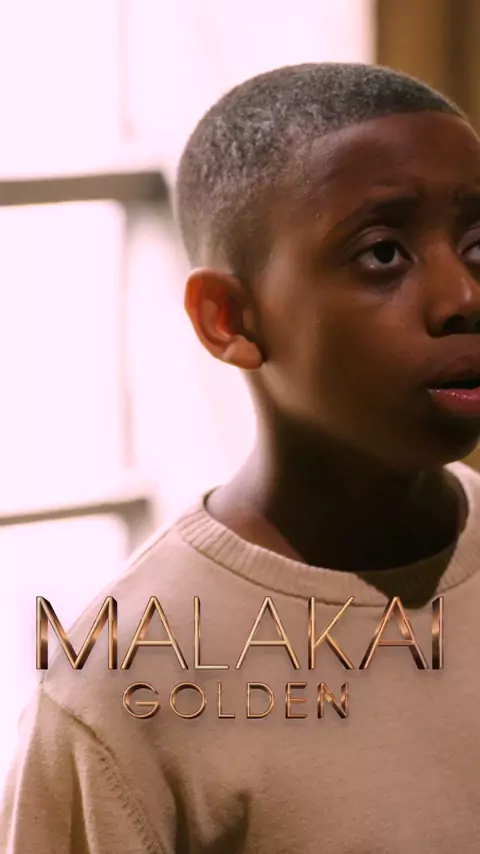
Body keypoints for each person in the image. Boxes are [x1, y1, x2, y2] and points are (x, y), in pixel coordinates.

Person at [2, 61, 480, 853]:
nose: (463, 295)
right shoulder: (124, 694)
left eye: (477, 243)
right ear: (228, 318)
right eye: (382, 254)